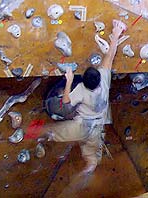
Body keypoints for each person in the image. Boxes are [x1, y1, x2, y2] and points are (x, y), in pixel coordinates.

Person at [38, 19, 126, 175]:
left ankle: (31, 133)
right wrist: (117, 32)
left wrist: (69, 81)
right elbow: (109, 56)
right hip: (98, 124)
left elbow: (65, 102)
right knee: (91, 151)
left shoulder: (81, 89)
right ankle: (90, 166)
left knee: (52, 131)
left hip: (82, 125)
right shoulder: (104, 82)